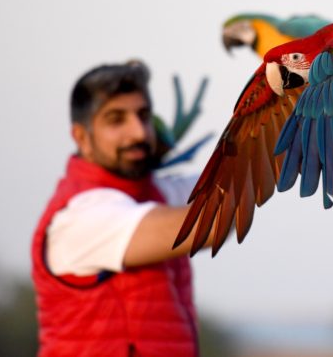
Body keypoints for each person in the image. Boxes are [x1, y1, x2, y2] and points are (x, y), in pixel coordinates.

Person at [31, 61, 218, 357]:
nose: (139, 133)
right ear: (81, 137)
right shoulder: (80, 216)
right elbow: (209, 223)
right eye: (116, 120)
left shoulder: (156, 192)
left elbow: (241, 181)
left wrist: (296, 111)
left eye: (144, 117)